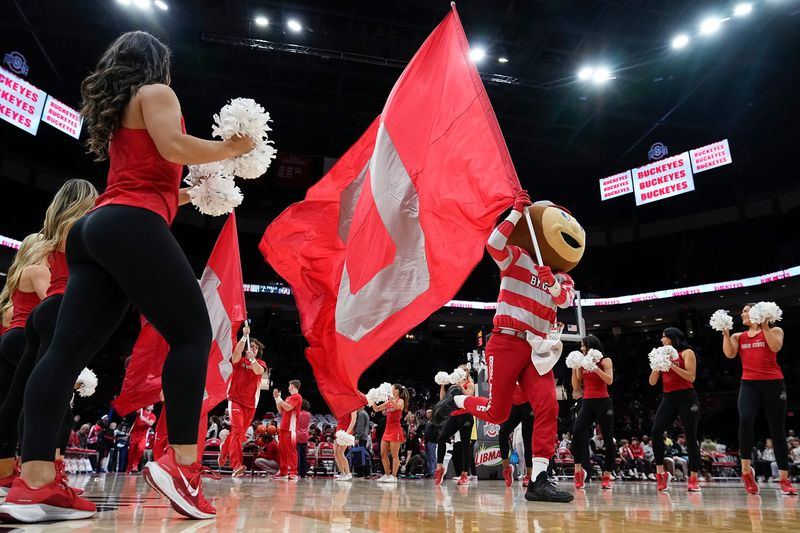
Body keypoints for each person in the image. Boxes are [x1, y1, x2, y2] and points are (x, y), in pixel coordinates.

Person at [0, 31, 255, 523]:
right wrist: (232, 148)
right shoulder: (156, 93)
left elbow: (148, 179)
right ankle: (181, 467)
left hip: (98, 227)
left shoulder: (121, 112)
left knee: (61, 354)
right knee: (192, 335)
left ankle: (34, 485)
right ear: (158, 62)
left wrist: (194, 194)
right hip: (129, 222)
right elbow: (175, 144)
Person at [433, 191, 576, 503]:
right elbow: (493, 245)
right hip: (506, 341)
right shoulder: (518, 256)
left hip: (538, 348)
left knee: (548, 406)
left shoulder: (563, 277)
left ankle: (539, 478)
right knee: (498, 413)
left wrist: (550, 282)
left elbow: (565, 300)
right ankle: (459, 398)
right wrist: (514, 213)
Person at [722, 303, 797, 495]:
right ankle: (746, 472)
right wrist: (725, 332)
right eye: (742, 312)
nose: (743, 314)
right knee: (745, 421)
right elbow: (729, 354)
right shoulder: (739, 336)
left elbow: (775, 346)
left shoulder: (775, 330)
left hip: (773, 384)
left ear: (757, 313)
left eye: (746, 311)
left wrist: (764, 325)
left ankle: (783, 478)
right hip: (749, 384)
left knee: (777, 431)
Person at [649, 327, 702, 493]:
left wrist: (671, 364)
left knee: (690, 437)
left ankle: (693, 478)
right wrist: (658, 365)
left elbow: (691, 377)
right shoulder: (660, 355)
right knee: (656, 432)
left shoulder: (687, 352)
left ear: (672, 338)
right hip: (668, 397)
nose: (662, 340)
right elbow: (652, 382)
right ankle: (661, 473)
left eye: (664, 337)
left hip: (687, 396)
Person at [219, 326, 266, 478]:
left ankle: (224, 449)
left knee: (238, 435)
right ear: (247, 347)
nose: (255, 348)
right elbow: (236, 354)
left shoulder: (260, 363)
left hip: (251, 404)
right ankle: (236, 465)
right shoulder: (240, 361)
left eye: (257, 347)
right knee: (238, 431)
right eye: (252, 346)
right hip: (236, 399)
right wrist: (244, 336)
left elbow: (259, 371)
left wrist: (253, 358)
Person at [571, 335, 615, 490]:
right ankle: (578, 471)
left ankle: (607, 475)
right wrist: (575, 367)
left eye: (583, 345)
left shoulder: (605, 361)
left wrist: (595, 367)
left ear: (591, 345)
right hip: (587, 401)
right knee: (576, 432)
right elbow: (576, 387)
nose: (582, 348)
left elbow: (609, 380)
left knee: (608, 438)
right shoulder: (582, 362)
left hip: (603, 401)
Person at [434, 366, 475, 486]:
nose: (461, 371)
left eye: (464, 370)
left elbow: (468, 396)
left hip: (466, 416)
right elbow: (443, 399)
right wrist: (443, 385)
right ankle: (440, 468)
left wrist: (460, 385)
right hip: (454, 415)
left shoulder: (470, 384)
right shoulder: (452, 386)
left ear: (467, 372)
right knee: (441, 437)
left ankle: (464, 474)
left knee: (465, 445)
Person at [371, 384, 409, 483]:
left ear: (396, 390)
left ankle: (394, 476)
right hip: (387, 430)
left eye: (392, 388)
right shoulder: (389, 401)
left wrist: (389, 399)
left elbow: (397, 407)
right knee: (383, 453)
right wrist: (373, 400)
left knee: (394, 455)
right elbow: (376, 409)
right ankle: (387, 474)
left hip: (396, 430)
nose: (391, 390)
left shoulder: (401, 401)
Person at [498, 383, 533, 487]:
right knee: (503, 432)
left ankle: (529, 475)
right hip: (514, 404)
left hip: (528, 404)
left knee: (527, 439)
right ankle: (506, 469)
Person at [273, 380, 303, 479]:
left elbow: (289, 408)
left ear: (293, 386)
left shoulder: (297, 397)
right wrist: (277, 399)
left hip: (291, 428)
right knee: (282, 450)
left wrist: (279, 398)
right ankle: (283, 471)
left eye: (289, 385)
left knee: (291, 450)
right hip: (283, 427)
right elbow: (280, 410)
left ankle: (294, 472)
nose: (288, 387)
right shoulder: (288, 397)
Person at [127, 406, 156, 473]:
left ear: (153, 408)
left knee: (141, 449)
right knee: (131, 451)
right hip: (134, 435)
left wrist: (144, 419)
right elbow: (134, 410)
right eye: (148, 404)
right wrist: (139, 406)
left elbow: (151, 423)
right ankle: (129, 466)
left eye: (151, 405)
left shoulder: (153, 416)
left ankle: (135, 464)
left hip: (143, 436)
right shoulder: (140, 411)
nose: (149, 405)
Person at [334, 408, 358, 481]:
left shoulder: (353, 407)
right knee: (336, 453)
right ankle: (342, 473)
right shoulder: (342, 406)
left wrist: (347, 432)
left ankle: (348, 473)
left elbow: (353, 420)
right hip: (339, 430)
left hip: (346, 431)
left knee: (340, 452)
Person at [296, 400, 312, 478]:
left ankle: (297, 472)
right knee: (303, 456)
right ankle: (303, 473)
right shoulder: (309, 414)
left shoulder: (297, 413)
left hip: (297, 435)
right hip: (305, 436)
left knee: (297, 456)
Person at [422, 409, 439, 478]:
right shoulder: (427, 422)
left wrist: (432, 440)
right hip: (427, 441)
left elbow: (435, 432)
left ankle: (433, 471)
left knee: (432, 457)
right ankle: (429, 471)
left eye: (429, 413)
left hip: (432, 442)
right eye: (426, 413)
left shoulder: (435, 422)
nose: (427, 414)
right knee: (428, 457)